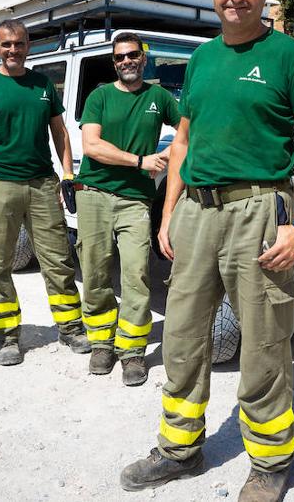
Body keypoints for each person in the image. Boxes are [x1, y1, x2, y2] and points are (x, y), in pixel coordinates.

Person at [120, 0, 294, 502]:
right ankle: (179, 450)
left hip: (259, 212)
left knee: (264, 342)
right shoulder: (200, 60)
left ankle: (269, 461)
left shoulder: (290, 56)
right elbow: (183, 141)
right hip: (195, 210)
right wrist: (168, 213)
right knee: (184, 337)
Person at [0, 20, 89, 366]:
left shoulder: (42, 84)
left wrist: (67, 174)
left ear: (28, 45)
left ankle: (71, 327)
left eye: (18, 43)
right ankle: (7, 338)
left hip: (42, 184)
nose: (12, 50)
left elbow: (59, 132)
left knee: (58, 259)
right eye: (6, 45)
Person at [75, 32, 180, 385]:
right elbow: (91, 146)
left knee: (135, 273)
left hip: (136, 201)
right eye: (120, 57)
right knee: (95, 271)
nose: (126, 62)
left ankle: (133, 351)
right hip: (94, 195)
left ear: (143, 58)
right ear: (114, 62)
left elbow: (187, 130)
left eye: (132, 55)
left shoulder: (159, 97)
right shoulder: (100, 96)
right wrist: (141, 161)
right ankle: (102, 343)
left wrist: (173, 153)